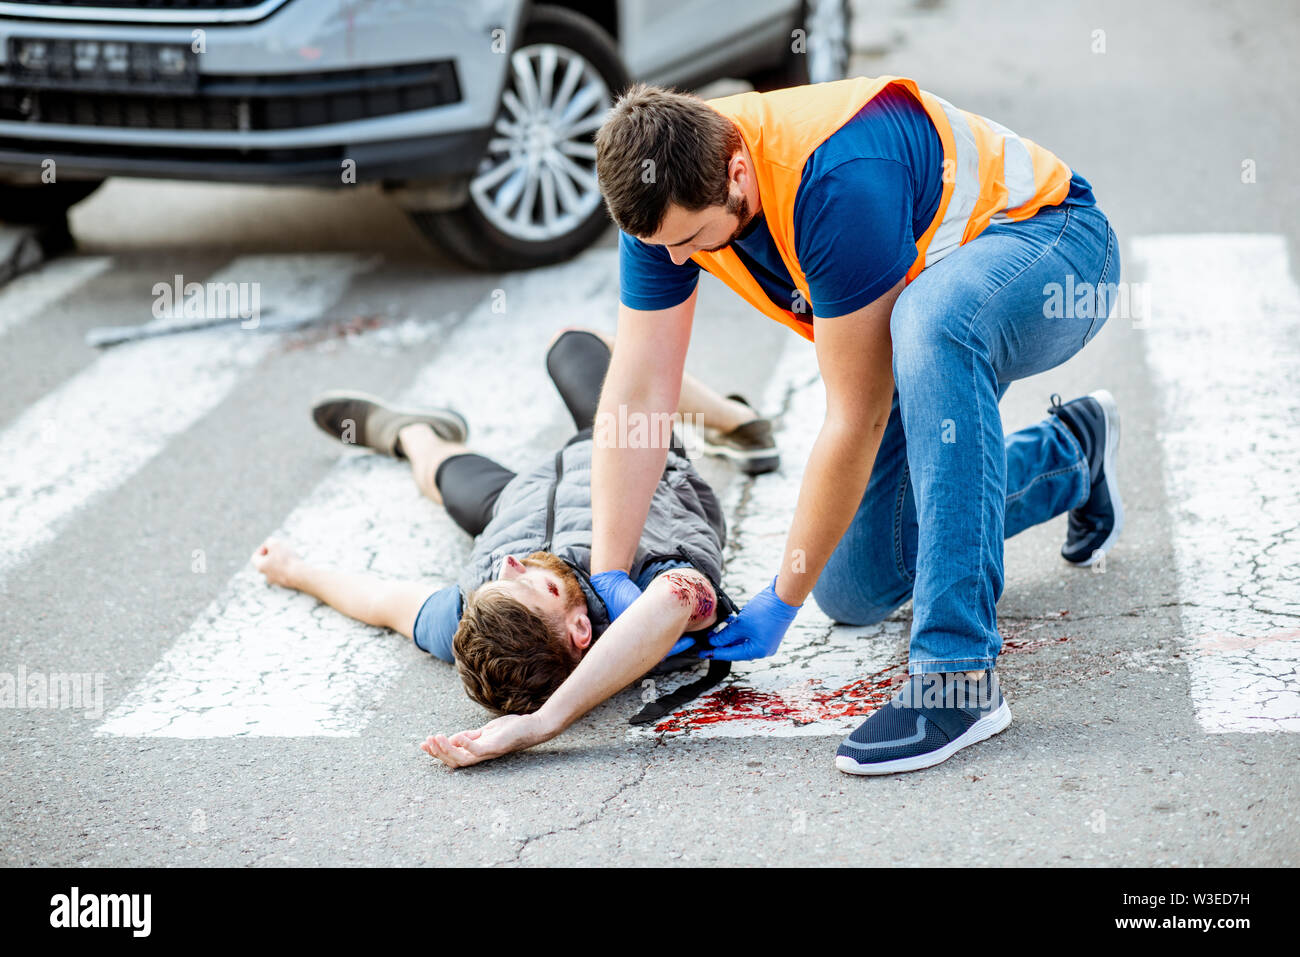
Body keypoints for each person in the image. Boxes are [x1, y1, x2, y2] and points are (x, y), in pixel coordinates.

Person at [565, 76, 1124, 776]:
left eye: (689, 241)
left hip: (1058, 251)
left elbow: (856, 416)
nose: (677, 259)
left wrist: (779, 599)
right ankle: (1069, 454)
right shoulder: (663, 199)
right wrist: (610, 572)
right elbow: (641, 387)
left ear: (738, 175)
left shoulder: (834, 179)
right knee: (855, 582)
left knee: (931, 321)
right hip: (928, 318)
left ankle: (958, 678)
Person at [251, 328, 768, 719]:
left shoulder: (477, 619)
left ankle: (409, 432)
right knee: (584, 347)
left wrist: (297, 573)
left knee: (443, 477)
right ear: (581, 629)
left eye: (498, 582)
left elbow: (383, 604)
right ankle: (737, 423)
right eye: (529, 585)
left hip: (514, 506)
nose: (509, 566)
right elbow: (682, 602)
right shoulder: (650, 591)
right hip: (626, 459)